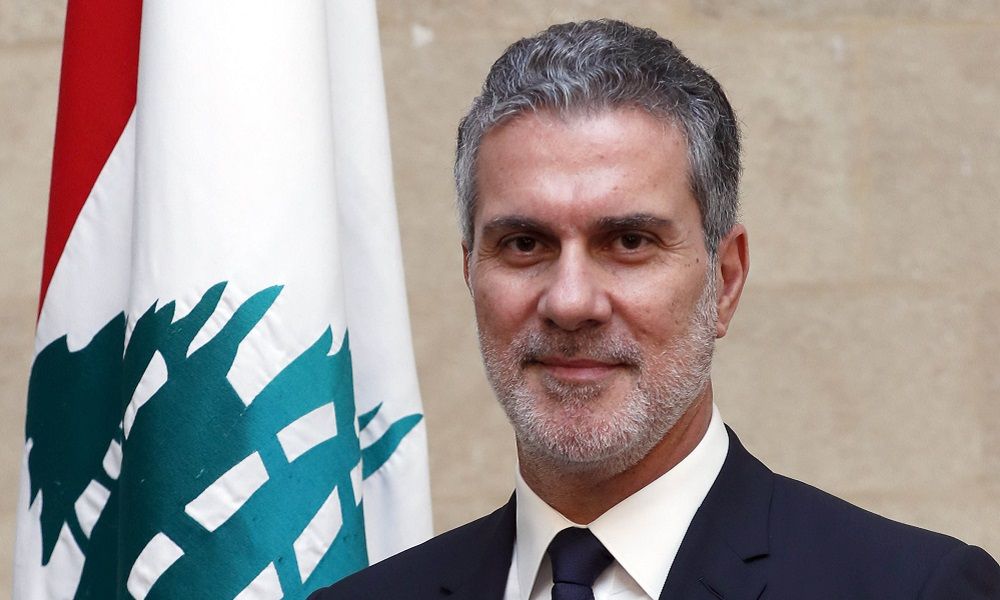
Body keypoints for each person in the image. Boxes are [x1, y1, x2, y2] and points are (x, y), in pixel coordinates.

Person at [310, 19, 1000, 599]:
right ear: (470, 272)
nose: (571, 302)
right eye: (524, 244)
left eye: (629, 242)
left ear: (725, 280)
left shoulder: (914, 589)